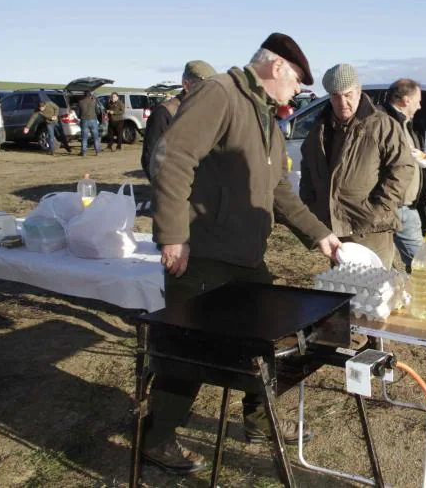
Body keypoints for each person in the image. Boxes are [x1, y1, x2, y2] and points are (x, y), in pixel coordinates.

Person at [145, 33, 342, 475]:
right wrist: (173, 235)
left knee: (275, 340)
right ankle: (157, 437)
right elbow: (172, 158)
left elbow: (278, 191)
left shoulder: (264, 116)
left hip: (245, 257)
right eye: (295, 82)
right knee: (189, 353)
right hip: (203, 255)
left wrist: (321, 237)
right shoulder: (220, 93)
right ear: (276, 68)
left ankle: (258, 422)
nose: (296, 92)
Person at [299, 64, 415, 269]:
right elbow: (308, 168)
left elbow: (402, 167)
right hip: (334, 230)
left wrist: (381, 208)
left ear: (359, 91)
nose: (342, 102)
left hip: (370, 229)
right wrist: (312, 206)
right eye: (335, 96)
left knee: (376, 291)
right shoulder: (319, 129)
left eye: (347, 95)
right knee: (344, 290)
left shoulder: (382, 124)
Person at [382, 78, 426, 271]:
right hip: (392, 205)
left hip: (407, 205)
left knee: (418, 263)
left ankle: (408, 294)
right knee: (419, 265)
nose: (420, 106)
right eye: (417, 100)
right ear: (405, 100)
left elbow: (412, 155)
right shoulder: (384, 123)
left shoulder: (408, 124)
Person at [141, 60, 216, 182]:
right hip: (177, 190)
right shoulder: (164, 113)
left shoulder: (208, 112)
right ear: (186, 85)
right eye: (205, 86)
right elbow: (150, 161)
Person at [76, 90, 100, 156]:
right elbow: (98, 111)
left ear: (84, 95)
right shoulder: (94, 101)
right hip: (93, 120)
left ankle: (83, 152)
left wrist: (80, 117)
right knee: (95, 136)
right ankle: (97, 151)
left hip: (84, 120)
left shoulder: (80, 102)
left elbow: (77, 112)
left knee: (84, 137)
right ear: (90, 95)